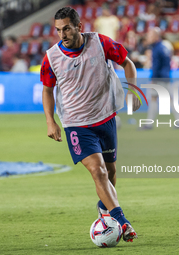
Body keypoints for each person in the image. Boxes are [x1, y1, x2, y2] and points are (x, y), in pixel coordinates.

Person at [41, 7, 140, 242]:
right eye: (58, 30)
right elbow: (47, 90)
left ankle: (104, 209)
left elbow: (128, 63)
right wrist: (50, 121)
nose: (62, 34)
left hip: (105, 117)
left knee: (111, 172)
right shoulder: (51, 58)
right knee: (98, 171)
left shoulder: (101, 43)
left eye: (66, 28)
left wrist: (133, 91)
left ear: (79, 27)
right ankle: (123, 222)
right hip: (76, 125)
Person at [140, 27, 179, 130]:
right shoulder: (162, 47)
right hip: (165, 77)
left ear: (155, 36)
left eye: (150, 35)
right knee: (163, 99)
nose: (148, 38)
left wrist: (153, 78)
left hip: (159, 78)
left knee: (160, 99)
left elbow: (156, 66)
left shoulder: (157, 48)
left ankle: (150, 124)